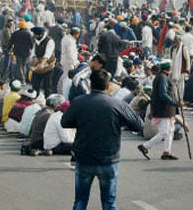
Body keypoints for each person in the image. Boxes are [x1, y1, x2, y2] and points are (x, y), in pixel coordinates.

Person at [61, 69, 144, 210]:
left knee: (80, 201)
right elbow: (138, 125)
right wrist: (119, 122)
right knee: (109, 203)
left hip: (84, 158)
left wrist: (82, 121)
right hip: (109, 159)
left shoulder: (79, 102)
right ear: (107, 86)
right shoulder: (117, 104)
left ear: (90, 84)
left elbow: (65, 122)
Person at [138, 60, 180, 161]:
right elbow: (163, 94)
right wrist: (175, 102)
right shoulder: (162, 78)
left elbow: (154, 95)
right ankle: (145, 146)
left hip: (166, 109)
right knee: (164, 132)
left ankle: (167, 152)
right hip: (164, 109)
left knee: (171, 130)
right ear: (169, 68)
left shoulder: (161, 77)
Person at [31, 27, 56, 98]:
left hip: (48, 65)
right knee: (35, 84)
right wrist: (34, 57)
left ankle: (48, 102)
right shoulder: (35, 40)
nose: (34, 36)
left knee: (47, 86)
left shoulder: (49, 41)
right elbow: (33, 50)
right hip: (37, 64)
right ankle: (34, 98)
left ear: (40, 35)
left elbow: (47, 54)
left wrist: (42, 64)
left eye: (35, 35)